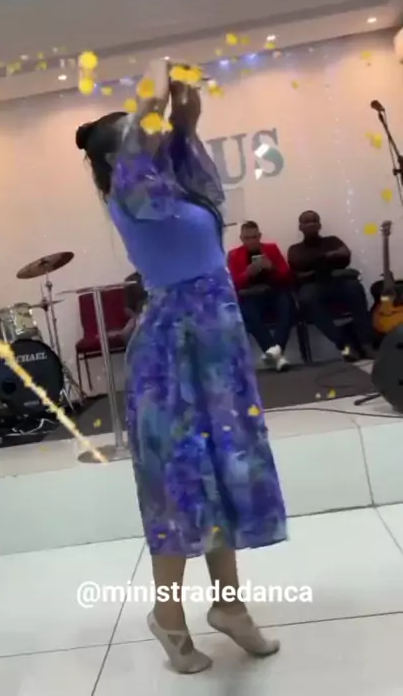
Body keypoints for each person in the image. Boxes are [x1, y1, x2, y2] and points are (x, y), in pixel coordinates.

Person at [76, 60, 286, 674]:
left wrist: (187, 123)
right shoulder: (129, 193)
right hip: (174, 350)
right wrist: (157, 83)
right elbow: (144, 124)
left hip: (216, 344)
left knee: (228, 467)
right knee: (180, 482)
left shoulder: (171, 187)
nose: (154, 134)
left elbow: (205, 188)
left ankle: (230, 605)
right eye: (142, 134)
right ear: (118, 157)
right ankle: (168, 616)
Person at [288, 211, 373, 359]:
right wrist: (329, 256)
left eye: (314, 221)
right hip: (313, 286)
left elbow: (345, 256)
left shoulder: (332, 240)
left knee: (354, 287)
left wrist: (315, 265)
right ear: (300, 227)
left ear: (320, 225)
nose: (311, 224)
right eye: (307, 222)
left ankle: (366, 343)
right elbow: (298, 264)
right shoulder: (295, 249)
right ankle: (344, 345)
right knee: (306, 299)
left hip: (336, 283)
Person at [228, 221, 293, 371]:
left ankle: (274, 352)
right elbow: (232, 284)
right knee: (248, 314)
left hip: (274, 290)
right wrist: (247, 274)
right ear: (242, 239)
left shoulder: (271, 249)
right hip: (251, 295)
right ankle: (277, 355)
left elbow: (287, 276)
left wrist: (272, 268)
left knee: (287, 305)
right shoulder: (234, 255)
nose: (251, 241)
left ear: (259, 236)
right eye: (247, 238)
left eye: (254, 237)